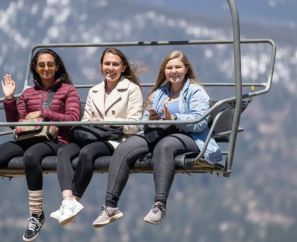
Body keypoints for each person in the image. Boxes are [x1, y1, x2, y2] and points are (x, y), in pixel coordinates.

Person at [92, 50, 221, 228]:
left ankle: (159, 205)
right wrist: (152, 120)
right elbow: (144, 118)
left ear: (186, 69)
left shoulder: (195, 91)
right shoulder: (159, 93)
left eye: (177, 67)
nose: (173, 71)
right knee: (124, 148)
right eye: (169, 68)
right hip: (157, 133)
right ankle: (110, 206)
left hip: (188, 137)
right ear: (164, 71)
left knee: (165, 147)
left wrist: (174, 119)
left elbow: (200, 121)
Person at [0, 49, 81, 241]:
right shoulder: (29, 93)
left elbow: (72, 119)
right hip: (26, 138)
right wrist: (10, 99)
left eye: (50, 65)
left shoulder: (68, 91)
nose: (46, 68)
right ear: (35, 68)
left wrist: (43, 114)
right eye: (41, 65)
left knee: (31, 157)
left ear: (57, 67)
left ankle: (36, 215)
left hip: (54, 141)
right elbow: (15, 122)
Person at [51, 48, 146, 225]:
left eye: (115, 64)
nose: (111, 68)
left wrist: (105, 121)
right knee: (64, 151)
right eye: (107, 64)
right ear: (101, 66)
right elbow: (86, 120)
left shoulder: (132, 89)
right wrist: (95, 122)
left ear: (123, 67)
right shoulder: (94, 91)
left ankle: (75, 202)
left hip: (116, 139)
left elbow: (134, 125)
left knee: (87, 152)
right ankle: (67, 201)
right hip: (92, 135)